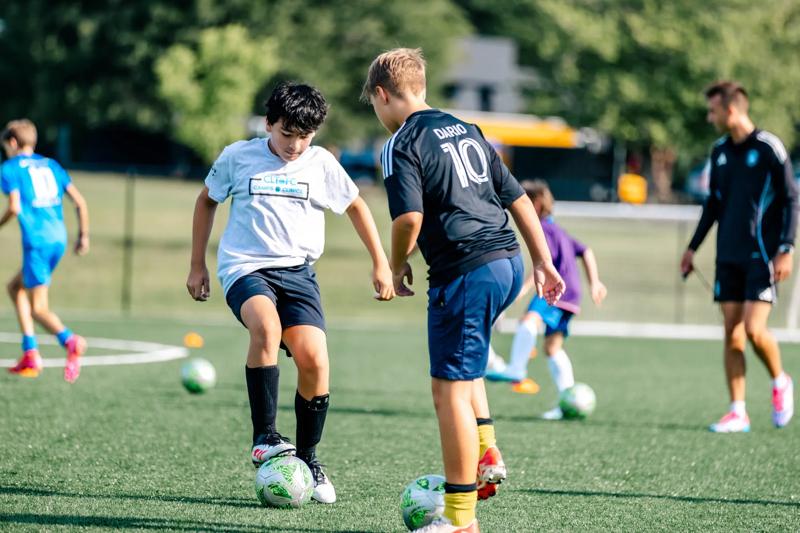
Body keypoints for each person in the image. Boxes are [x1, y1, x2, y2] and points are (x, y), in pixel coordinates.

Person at [363, 48, 564, 533]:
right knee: (465, 363)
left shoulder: (399, 142)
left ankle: (459, 519)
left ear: (383, 95)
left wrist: (394, 265)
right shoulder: (466, 129)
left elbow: (409, 218)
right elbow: (517, 198)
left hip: (468, 270)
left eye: (372, 103)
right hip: (508, 264)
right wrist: (543, 260)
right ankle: (486, 449)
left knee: (447, 390)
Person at [186, 82, 394, 503]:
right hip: (246, 268)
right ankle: (264, 436)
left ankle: (309, 459)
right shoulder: (237, 156)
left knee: (315, 360)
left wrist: (380, 262)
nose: (296, 144)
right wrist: (197, 265)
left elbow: (356, 206)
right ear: (268, 124)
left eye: (305, 135)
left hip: (299, 274)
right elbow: (206, 201)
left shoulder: (321, 164)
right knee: (266, 326)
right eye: (287, 134)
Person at [681, 81, 796, 433]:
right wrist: (692, 247)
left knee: (753, 329)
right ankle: (738, 411)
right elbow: (713, 204)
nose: (709, 116)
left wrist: (786, 248)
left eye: (713, 110)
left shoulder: (768, 147)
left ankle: (780, 380)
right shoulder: (719, 152)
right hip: (727, 255)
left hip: (762, 256)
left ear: (731, 110)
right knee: (732, 333)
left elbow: (792, 199)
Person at [485, 181, 607, 418]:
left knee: (529, 320)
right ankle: (567, 402)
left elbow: (544, 263)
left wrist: (522, 289)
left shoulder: (544, 229)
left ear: (537, 204)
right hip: (573, 295)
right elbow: (587, 251)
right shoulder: (558, 230)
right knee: (552, 348)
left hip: (557, 290)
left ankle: (517, 369)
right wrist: (595, 282)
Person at [1, 119, 89, 383]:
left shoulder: (10, 168)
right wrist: (83, 236)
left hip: (37, 242)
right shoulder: (52, 165)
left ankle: (71, 341)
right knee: (15, 287)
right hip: (58, 239)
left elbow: (15, 208)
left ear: (13, 143)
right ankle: (30, 353)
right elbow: (80, 202)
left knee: (38, 308)